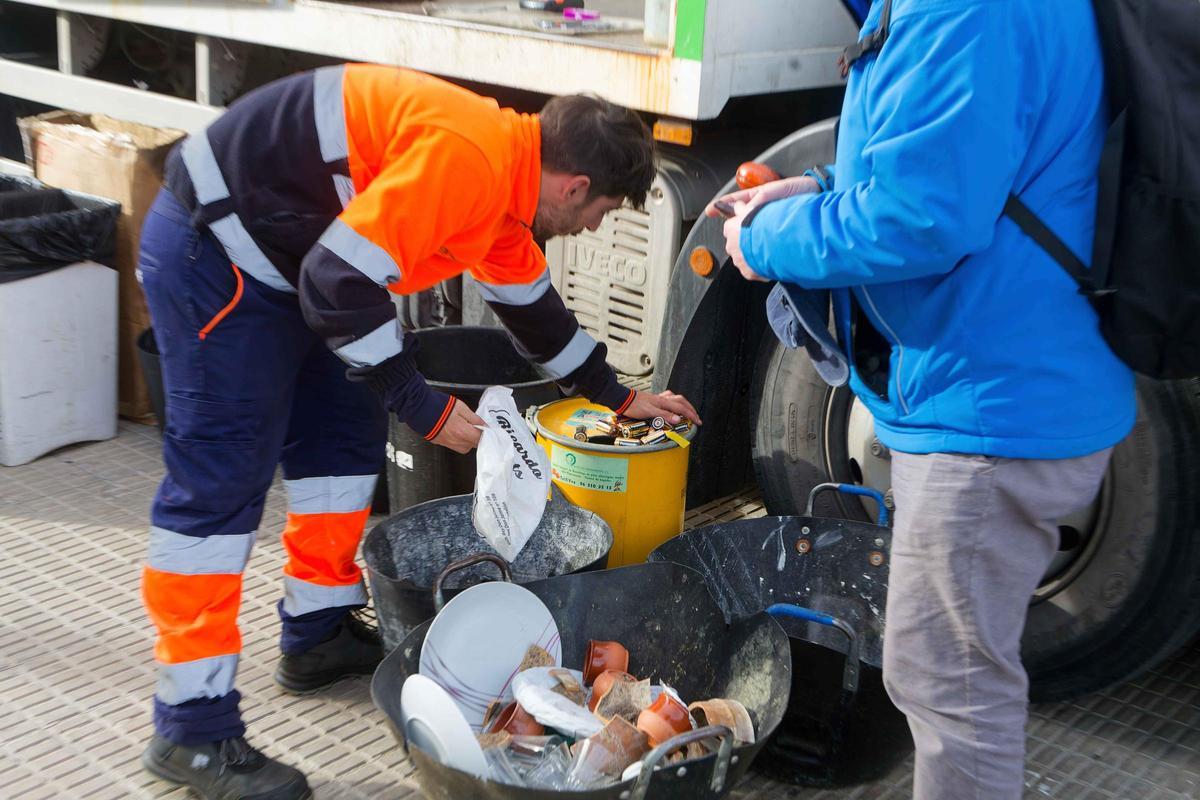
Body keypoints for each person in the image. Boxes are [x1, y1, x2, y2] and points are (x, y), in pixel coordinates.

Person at [138, 63, 699, 799]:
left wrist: (621, 399)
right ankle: (192, 728)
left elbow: (534, 311)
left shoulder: (504, 185)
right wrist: (421, 402)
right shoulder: (469, 161)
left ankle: (317, 631)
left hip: (291, 264)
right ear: (572, 187)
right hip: (219, 254)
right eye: (599, 212)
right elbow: (338, 282)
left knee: (341, 447)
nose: (591, 227)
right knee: (218, 491)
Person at [711, 1, 1133, 798]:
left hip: (992, 411)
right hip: (1018, 382)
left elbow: (919, 218)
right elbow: (958, 158)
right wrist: (818, 186)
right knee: (950, 675)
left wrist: (763, 241)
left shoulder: (966, 6)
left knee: (951, 689)